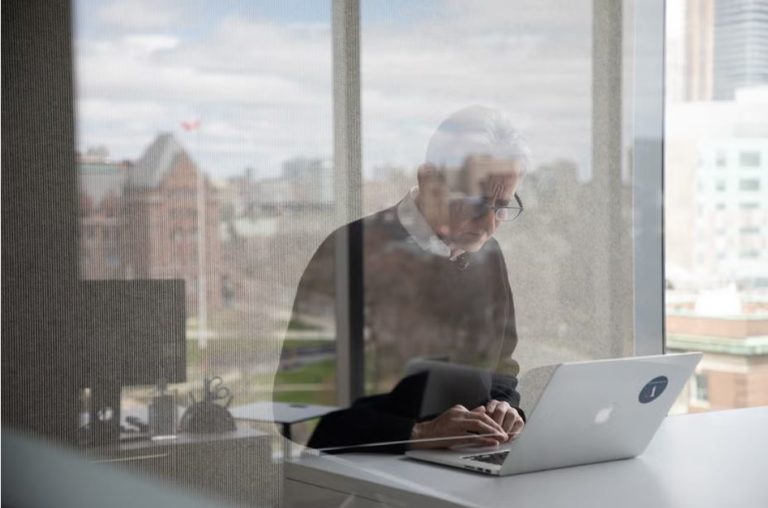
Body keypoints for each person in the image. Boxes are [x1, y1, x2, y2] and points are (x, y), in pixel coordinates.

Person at [280, 106, 530, 453]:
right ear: (428, 181)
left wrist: (504, 408)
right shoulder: (349, 253)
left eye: (502, 206)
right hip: (374, 481)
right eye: (475, 202)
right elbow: (296, 413)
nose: (489, 225)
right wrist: (418, 433)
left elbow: (501, 366)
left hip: (467, 463)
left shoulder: (488, 256)